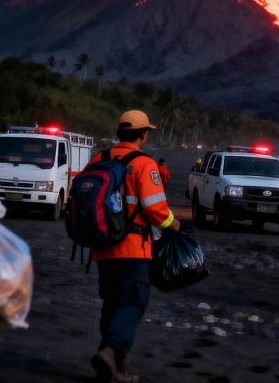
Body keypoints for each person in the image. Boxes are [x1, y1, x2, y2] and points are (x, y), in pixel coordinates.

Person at [89, 110, 180, 383]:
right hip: (132, 247)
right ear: (143, 134)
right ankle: (110, 351)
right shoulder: (144, 163)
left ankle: (115, 369)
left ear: (119, 133)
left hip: (101, 246)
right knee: (133, 302)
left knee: (112, 303)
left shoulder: (97, 159)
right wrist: (174, 225)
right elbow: (155, 209)